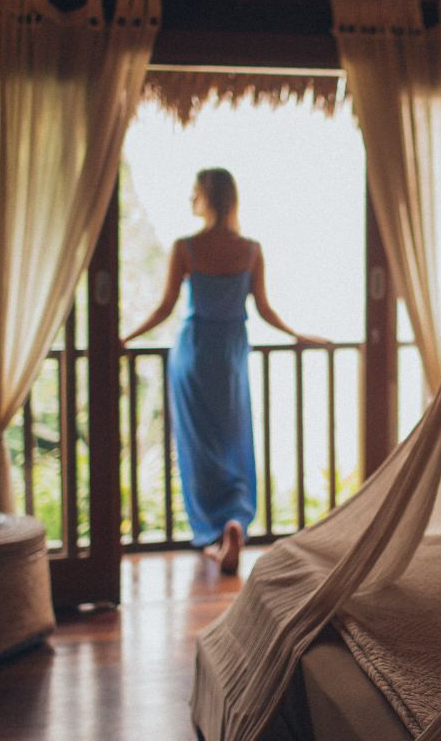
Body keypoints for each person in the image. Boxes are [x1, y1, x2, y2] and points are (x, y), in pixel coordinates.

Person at [123, 168, 326, 573]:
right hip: (231, 354)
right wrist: (299, 336)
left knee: (200, 448)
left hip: (194, 353)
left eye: (194, 193)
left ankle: (215, 534)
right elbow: (265, 310)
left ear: (208, 199)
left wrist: (124, 339)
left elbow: (165, 309)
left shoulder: (187, 248)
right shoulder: (250, 250)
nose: (190, 200)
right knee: (234, 441)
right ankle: (235, 522)